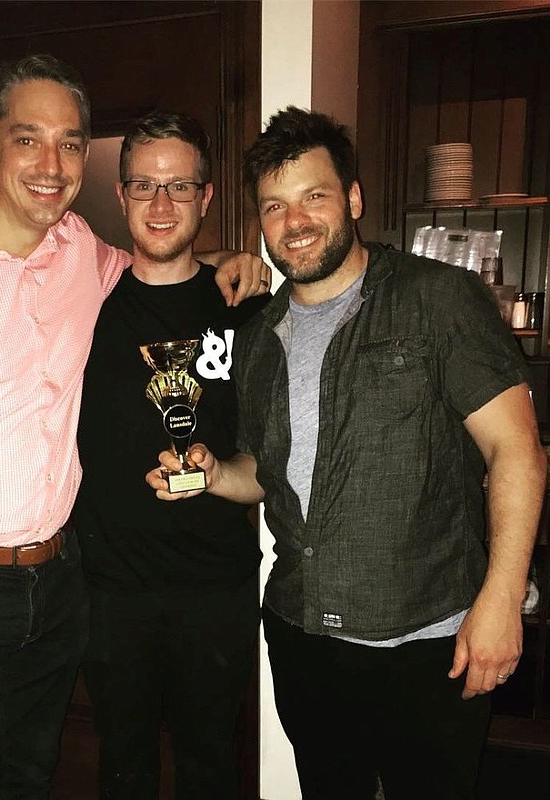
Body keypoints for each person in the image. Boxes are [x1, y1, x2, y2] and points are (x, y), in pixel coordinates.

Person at [0, 54, 267, 800]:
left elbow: (159, 265)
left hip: (62, 581)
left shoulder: (83, 257)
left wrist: (236, 259)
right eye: (27, 138)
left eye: (70, 142)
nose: (52, 162)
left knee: (31, 778)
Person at [147, 106, 548, 800]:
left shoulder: (437, 300)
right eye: (274, 206)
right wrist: (213, 475)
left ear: (354, 199)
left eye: (314, 197)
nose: (294, 223)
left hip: (430, 643)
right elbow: (263, 477)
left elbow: (518, 450)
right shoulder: (261, 335)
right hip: (305, 641)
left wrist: (502, 599)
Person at [73, 112, 267, 799]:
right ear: (121, 195)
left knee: (211, 766)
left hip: (215, 591)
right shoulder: (83, 303)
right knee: (121, 766)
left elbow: (273, 459)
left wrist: (217, 474)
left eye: (180, 187)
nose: (161, 205)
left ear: (207, 198)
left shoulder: (249, 311)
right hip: (109, 593)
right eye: (144, 186)